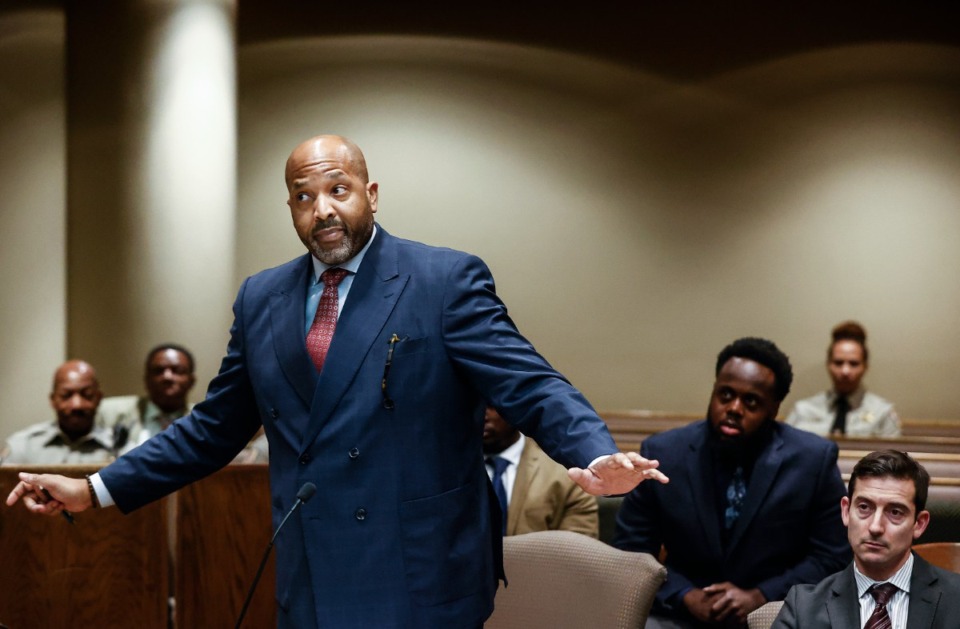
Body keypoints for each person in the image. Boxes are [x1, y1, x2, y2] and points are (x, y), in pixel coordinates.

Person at [7, 134, 667, 629]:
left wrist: (591, 448)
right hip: (311, 579)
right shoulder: (262, 297)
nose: (321, 208)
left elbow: (531, 383)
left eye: (337, 189)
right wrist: (94, 488)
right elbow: (213, 428)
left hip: (418, 579)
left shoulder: (443, 281)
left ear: (371, 194)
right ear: (290, 206)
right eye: (303, 195)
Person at [613, 337, 850, 628]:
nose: (734, 408)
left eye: (751, 401)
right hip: (678, 613)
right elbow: (631, 549)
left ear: (774, 409)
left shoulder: (812, 460)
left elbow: (832, 557)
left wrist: (760, 596)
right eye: (725, 395)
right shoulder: (663, 454)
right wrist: (685, 595)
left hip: (775, 614)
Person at [772, 450, 960, 628]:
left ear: (919, 523)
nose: (875, 527)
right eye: (864, 507)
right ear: (846, 511)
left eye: (895, 512)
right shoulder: (803, 608)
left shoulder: (956, 599)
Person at [483, 406, 599, 538]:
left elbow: (577, 550)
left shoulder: (567, 473)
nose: (481, 414)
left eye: (490, 406)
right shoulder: (455, 467)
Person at [787, 321, 901, 437]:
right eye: (838, 363)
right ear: (828, 364)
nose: (845, 371)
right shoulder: (803, 410)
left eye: (853, 363)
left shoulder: (882, 413)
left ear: (865, 366)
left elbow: (893, 454)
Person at [1, 360, 122, 465]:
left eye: (87, 395)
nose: (76, 405)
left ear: (99, 398)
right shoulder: (23, 446)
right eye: (66, 395)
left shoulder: (120, 447)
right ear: (53, 400)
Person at [96, 343, 197, 447]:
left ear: (192, 381)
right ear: (146, 379)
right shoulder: (109, 413)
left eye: (177, 370)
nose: (167, 377)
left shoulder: (202, 419)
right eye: (158, 371)